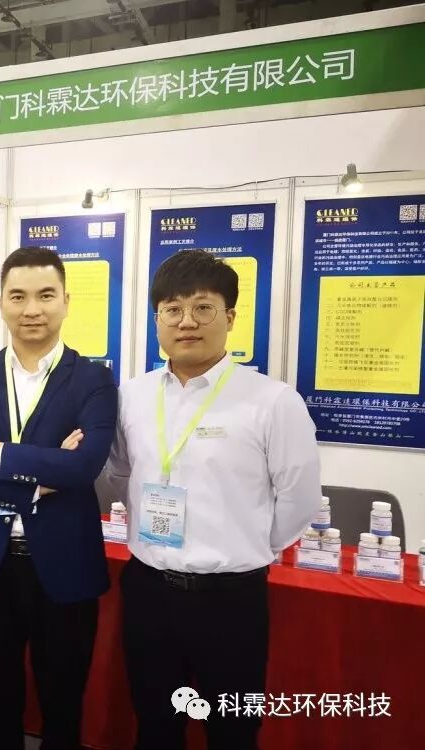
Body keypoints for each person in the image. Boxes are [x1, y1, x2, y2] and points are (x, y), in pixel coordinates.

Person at [105, 250, 321, 750]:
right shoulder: (131, 396)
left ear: (230, 317)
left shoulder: (272, 401)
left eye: (203, 308)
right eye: (173, 309)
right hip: (149, 590)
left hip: (231, 599)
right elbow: (119, 473)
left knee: (233, 731)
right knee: (155, 724)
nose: (187, 322)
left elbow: (299, 498)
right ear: (157, 319)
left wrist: (244, 544)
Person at [0, 247, 117, 750]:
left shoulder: (93, 379)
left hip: (65, 561)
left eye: (45, 295)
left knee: (63, 697)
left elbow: (83, 467)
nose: (32, 309)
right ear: (1, 303)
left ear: (66, 301)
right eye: (18, 296)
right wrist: (39, 477)